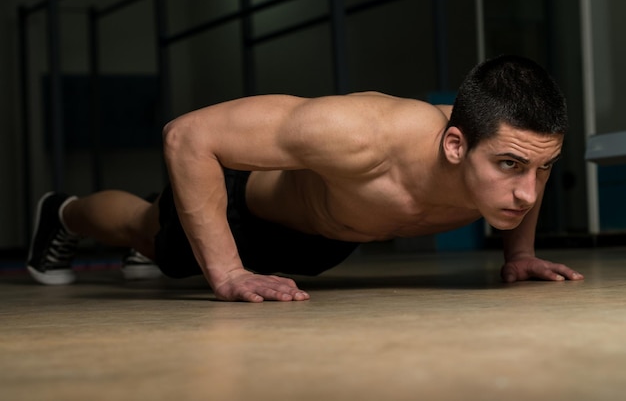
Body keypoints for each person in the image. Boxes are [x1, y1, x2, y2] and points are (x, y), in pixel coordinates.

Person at [26, 55, 584, 302]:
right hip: (252, 212)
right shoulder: (360, 132)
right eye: (510, 166)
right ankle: (62, 212)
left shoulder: (513, 157)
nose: (528, 192)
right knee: (149, 232)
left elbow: (524, 167)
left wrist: (519, 253)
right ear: (456, 144)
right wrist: (226, 273)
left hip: (328, 239)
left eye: (543, 169)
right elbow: (188, 136)